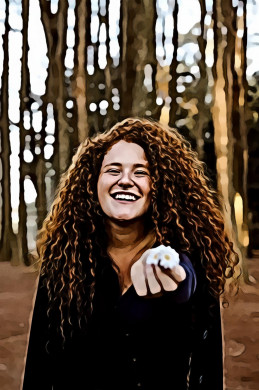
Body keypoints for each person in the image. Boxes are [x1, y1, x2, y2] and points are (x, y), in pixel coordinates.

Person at [22, 117, 239, 390]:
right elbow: (38, 368)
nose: (125, 180)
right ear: (93, 182)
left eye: (141, 172)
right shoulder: (64, 261)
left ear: (159, 185)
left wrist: (176, 276)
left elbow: (207, 371)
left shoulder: (190, 260)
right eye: (113, 170)